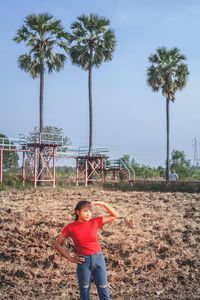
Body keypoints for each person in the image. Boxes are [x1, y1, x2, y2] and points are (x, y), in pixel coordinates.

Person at [54, 200, 119, 300]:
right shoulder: (70, 227)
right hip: (83, 262)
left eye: (89, 211)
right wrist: (71, 258)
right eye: (85, 211)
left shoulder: (94, 222)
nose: (88, 213)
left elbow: (115, 215)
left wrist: (103, 204)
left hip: (99, 259)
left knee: (104, 291)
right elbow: (57, 244)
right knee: (84, 293)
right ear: (77, 212)